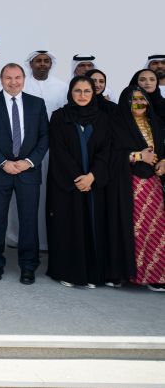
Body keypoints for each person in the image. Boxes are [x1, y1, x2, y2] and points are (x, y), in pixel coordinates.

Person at [0, 63, 49, 284]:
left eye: (17, 77)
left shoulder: (37, 103)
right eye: (8, 78)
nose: (13, 82)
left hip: (27, 171)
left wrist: (28, 162)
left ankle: (28, 266)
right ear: (1, 80)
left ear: (24, 79)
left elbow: (44, 136)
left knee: (28, 220)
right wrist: (2, 163)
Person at [46, 77, 111, 288]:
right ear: (70, 93)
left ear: (93, 93)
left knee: (93, 227)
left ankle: (93, 274)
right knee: (68, 227)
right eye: (77, 91)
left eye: (86, 91)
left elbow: (106, 151)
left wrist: (92, 176)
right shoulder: (59, 117)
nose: (82, 95)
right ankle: (67, 272)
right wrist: (78, 178)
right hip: (66, 184)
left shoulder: (103, 118)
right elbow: (59, 151)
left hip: (94, 184)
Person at [107, 86, 165, 291]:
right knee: (130, 229)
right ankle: (125, 274)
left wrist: (163, 161)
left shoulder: (156, 123)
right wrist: (138, 156)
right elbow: (109, 155)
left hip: (153, 184)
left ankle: (154, 276)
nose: (139, 103)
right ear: (126, 103)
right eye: (134, 100)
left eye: (142, 99)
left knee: (156, 229)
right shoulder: (116, 124)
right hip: (127, 184)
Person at [15, 50, 69, 251]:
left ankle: (48, 239)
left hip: (54, 148)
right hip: (25, 152)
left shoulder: (62, 87)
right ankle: (17, 237)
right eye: (38, 61)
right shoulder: (22, 85)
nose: (42, 64)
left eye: (46, 61)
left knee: (49, 192)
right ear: (31, 64)